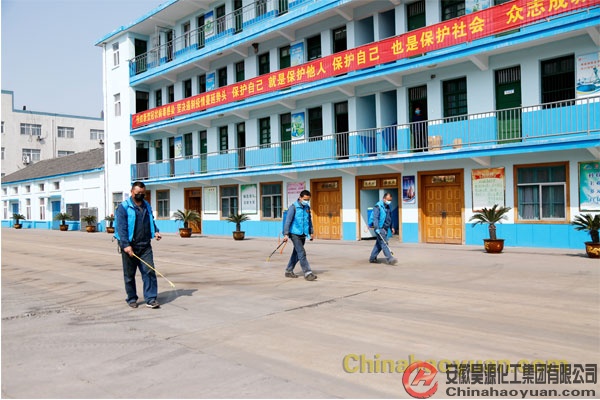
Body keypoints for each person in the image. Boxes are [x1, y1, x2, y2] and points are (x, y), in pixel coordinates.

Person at [114, 181, 162, 308]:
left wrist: (155, 231)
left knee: (149, 271)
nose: (140, 195)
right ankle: (131, 298)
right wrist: (126, 245)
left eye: (143, 193)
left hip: (145, 245)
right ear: (132, 192)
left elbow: (150, 221)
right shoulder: (123, 207)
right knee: (129, 275)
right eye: (138, 193)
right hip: (130, 245)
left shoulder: (147, 206)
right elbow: (121, 228)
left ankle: (151, 298)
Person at [283, 190, 317, 281]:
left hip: (303, 233)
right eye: (305, 199)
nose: (306, 201)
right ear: (300, 197)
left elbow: (309, 221)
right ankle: (308, 273)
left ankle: (288, 270)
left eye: (308, 199)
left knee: (297, 253)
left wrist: (311, 232)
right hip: (294, 233)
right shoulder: (293, 207)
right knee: (301, 253)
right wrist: (286, 234)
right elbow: (288, 221)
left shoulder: (307, 207)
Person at [369, 192, 398, 265]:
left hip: (385, 228)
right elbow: (375, 218)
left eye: (390, 200)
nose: (389, 201)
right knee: (384, 243)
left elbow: (390, 217)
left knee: (379, 245)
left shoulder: (388, 206)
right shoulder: (377, 206)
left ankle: (372, 258)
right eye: (388, 200)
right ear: (384, 199)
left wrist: (392, 227)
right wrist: (377, 228)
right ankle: (390, 258)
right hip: (380, 228)